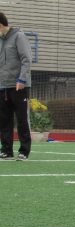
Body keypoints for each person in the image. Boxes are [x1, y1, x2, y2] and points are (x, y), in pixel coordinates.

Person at [0, 12, 32, 161]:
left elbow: (26, 59)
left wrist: (22, 79)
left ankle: (24, 151)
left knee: (21, 119)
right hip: (3, 86)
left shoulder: (19, 36)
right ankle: (6, 150)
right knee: (4, 120)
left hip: (19, 85)